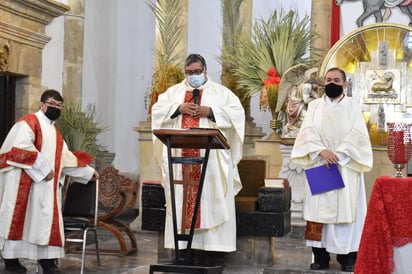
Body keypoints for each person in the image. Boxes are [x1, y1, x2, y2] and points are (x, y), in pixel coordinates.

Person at [151, 53, 245, 265]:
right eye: (189, 72)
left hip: (211, 162)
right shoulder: (173, 93)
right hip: (179, 160)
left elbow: (237, 116)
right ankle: (183, 251)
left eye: (197, 72)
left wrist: (210, 112)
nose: (193, 76)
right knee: (180, 200)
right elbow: (156, 112)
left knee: (211, 200)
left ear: (205, 70)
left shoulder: (222, 94)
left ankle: (213, 252)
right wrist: (178, 109)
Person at [0, 89, 99, 274]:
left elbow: (65, 159)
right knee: (19, 220)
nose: (55, 108)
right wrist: (43, 170)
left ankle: (48, 262)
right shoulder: (28, 123)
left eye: (59, 105)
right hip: (24, 185)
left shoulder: (55, 133)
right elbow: (20, 149)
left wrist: (88, 173)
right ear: (42, 104)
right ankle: (11, 261)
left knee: (45, 224)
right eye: (52, 104)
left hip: (46, 189)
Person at [290, 67, 373, 272]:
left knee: (347, 212)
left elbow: (358, 134)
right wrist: (321, 151)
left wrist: (340, 155)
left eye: (337, 80)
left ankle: (347, 258)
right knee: (316, 213)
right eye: (328, 80)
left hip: (345, 167)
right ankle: (320, 257)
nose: (332, 83)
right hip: (320, 166)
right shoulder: (315, 106)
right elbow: (307, 132)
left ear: (345, 84)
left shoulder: (353, 106)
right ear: (323, 83)